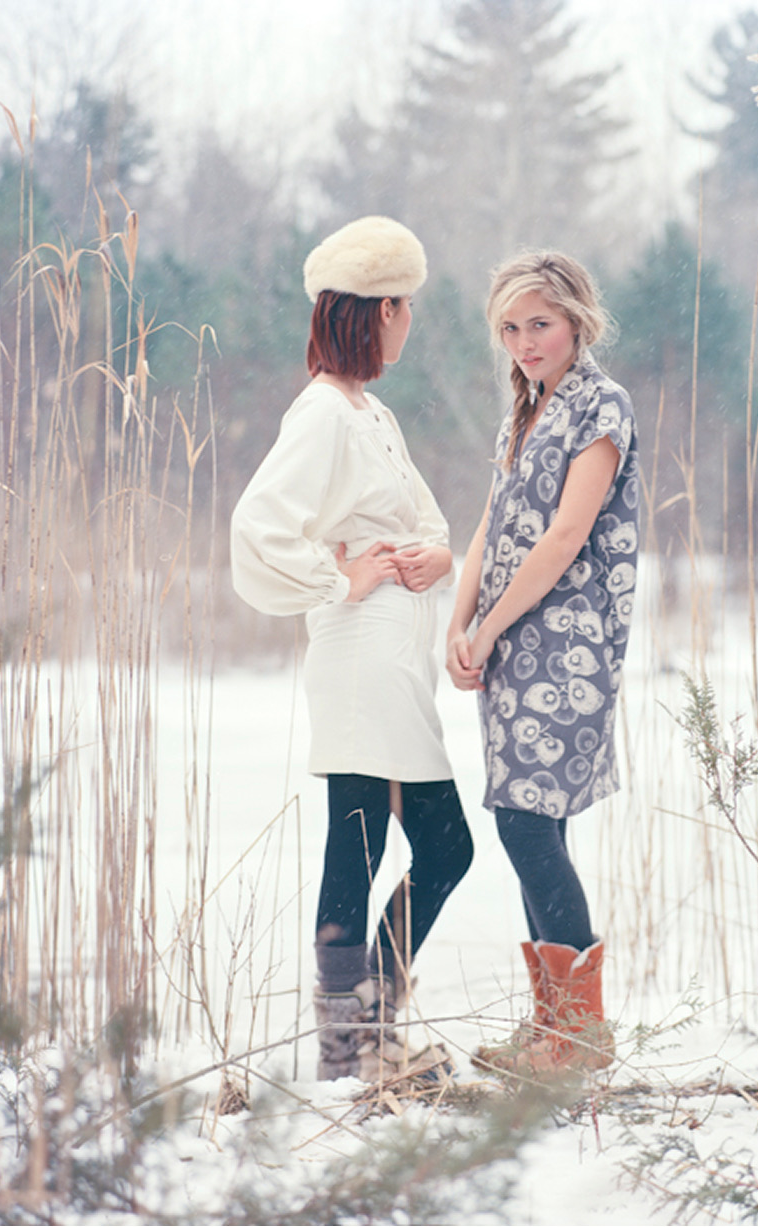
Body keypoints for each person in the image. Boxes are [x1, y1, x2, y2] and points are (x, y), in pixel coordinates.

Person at [230, 216, 473, 1083]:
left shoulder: (373, 413)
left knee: (432, 846)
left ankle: (366, 1028)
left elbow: (424, 522)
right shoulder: (324, 413)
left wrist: (438, 556)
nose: (410, 322)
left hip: (394, 662)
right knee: (370, 842)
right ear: (381, 311)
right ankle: (350, 1041)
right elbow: (258, 529)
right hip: (360, 654)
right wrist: (340, 577)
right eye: (406, 306)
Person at [447, 251, 639, 1076]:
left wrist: (490, 628)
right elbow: (491, 523)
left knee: (525, 823)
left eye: (541, 324)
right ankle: (553, 1028)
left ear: (577, 321)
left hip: (567, 645)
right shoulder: (524, 412)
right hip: (511, 642)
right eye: (511, 328)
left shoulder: (601, 404)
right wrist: (460, 621)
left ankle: (581, 1033)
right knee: (533, 821)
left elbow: (564, 536)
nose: (525, 342)